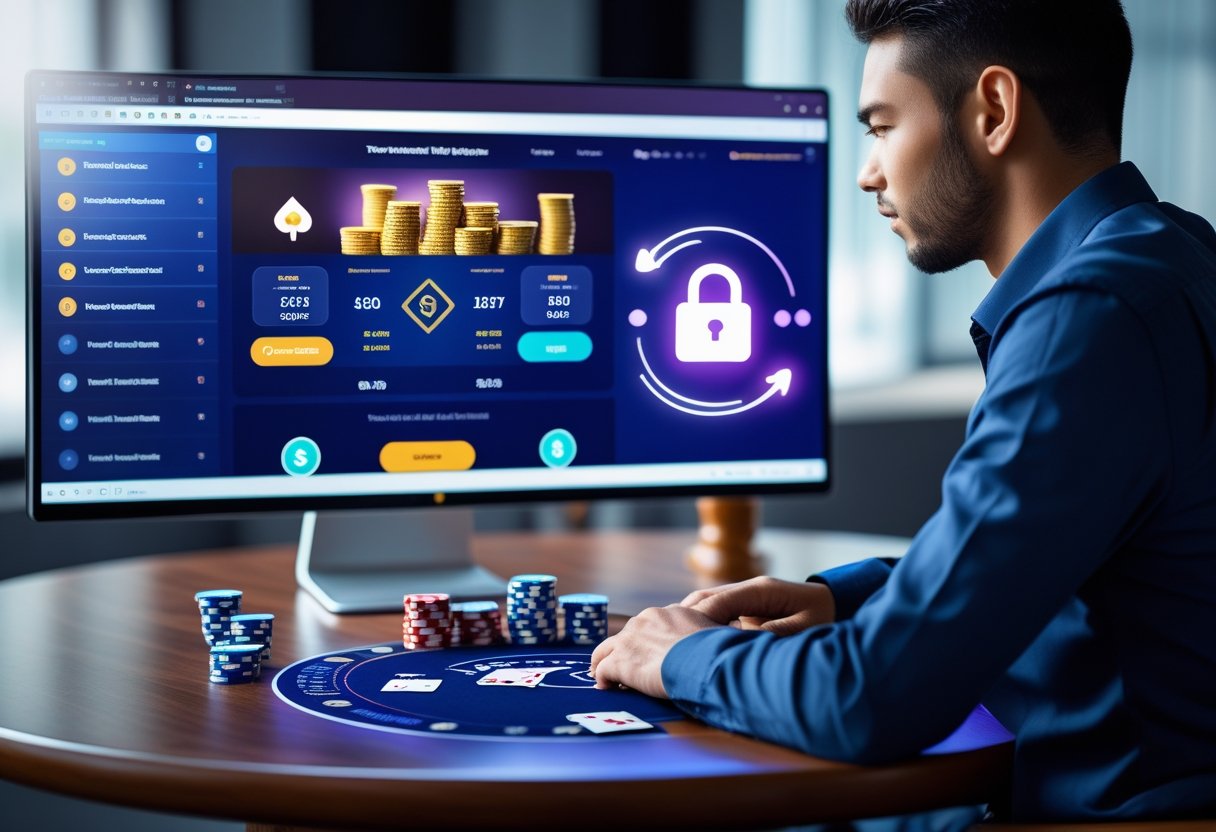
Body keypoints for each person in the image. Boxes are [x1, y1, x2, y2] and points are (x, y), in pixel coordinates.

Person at [590, 0, 1216, 823]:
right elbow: (1065, 560)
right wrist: (846, 599)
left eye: (882, 126)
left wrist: (683, 657)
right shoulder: (1174, 252)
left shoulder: (1087, 315)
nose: (868, 172)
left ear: (993, 111)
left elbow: (875, 699)